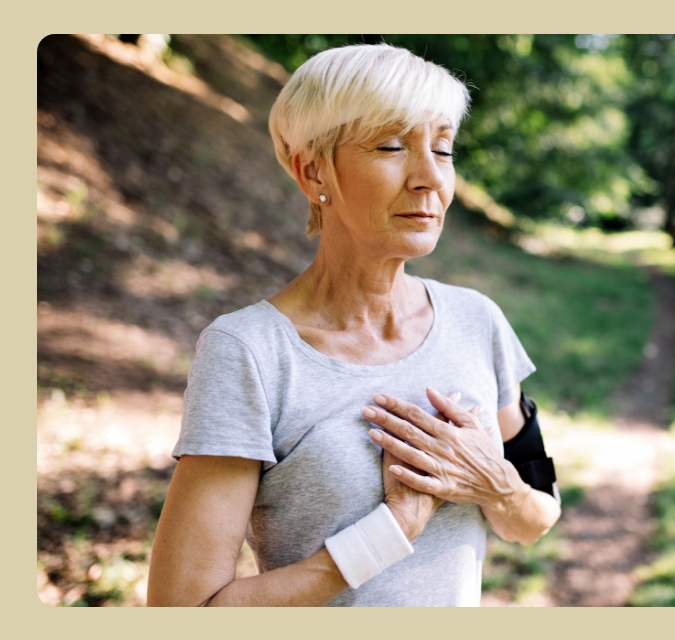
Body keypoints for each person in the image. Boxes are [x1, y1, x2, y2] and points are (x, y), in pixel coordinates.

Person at [147, 44, 561, 606]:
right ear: (311, 168)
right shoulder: (249, 352)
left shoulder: (477, 321)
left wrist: (498, 486)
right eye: (391, 146)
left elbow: (534, 517)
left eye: (443, 148)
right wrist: (385, 535)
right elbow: (184, 610)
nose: (429, 178)